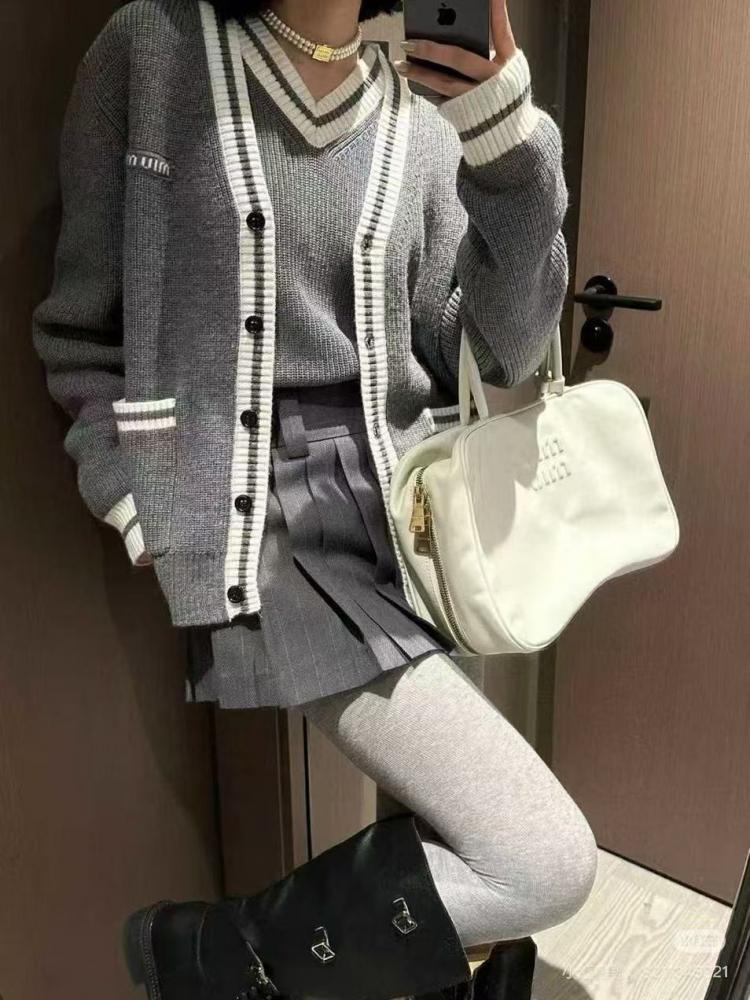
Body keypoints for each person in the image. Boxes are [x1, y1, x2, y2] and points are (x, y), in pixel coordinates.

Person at [32, 0, 598, 997]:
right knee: (542, 858)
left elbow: (502, 346)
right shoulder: (154, 53)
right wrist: (134, 497)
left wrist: (506, 140)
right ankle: (207, 952)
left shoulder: (421, 118)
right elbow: (81, 332)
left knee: (442, 825)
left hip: (409, 519)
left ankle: (440, 976)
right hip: (268, 531)